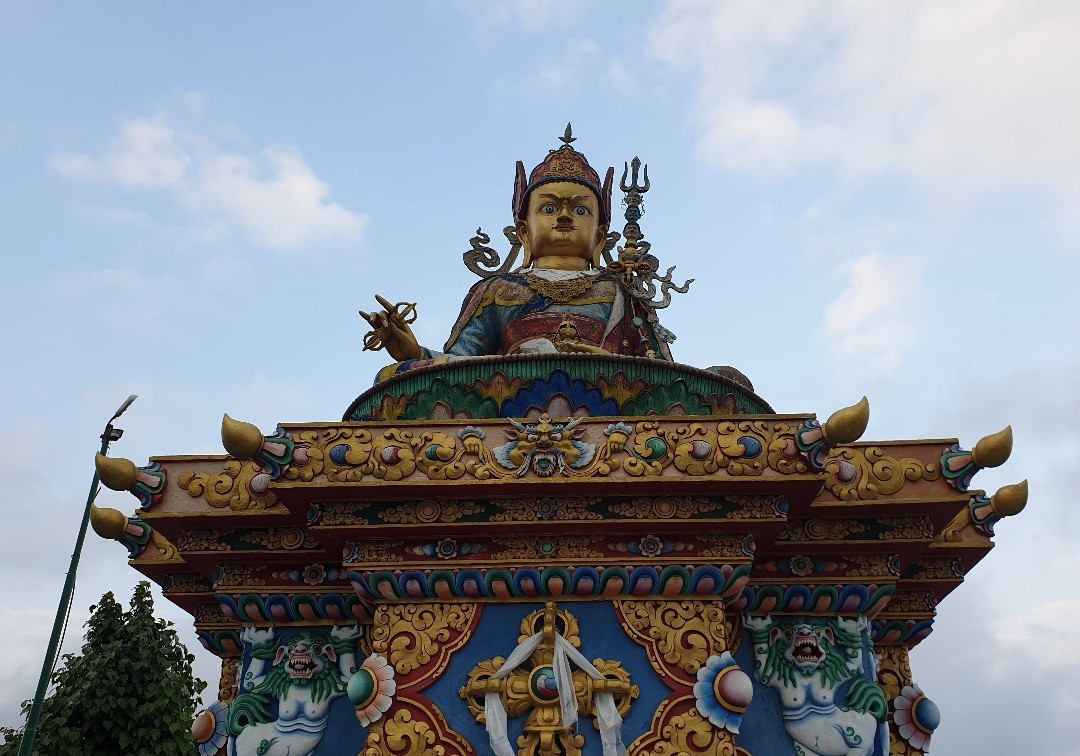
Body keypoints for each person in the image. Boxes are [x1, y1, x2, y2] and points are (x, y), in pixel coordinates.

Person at [361, 130, 673, 381]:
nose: (564, 217)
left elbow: (659, 370)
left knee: (722, 379)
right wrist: (415, 353)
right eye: (549, 209)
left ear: (599, 236)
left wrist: (605, 366)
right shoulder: (498, 290)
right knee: (394, 376)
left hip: (605, 391)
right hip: (509, 394)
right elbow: (459, 364)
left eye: (580, 210)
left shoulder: (619, 289)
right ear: (524, 232)